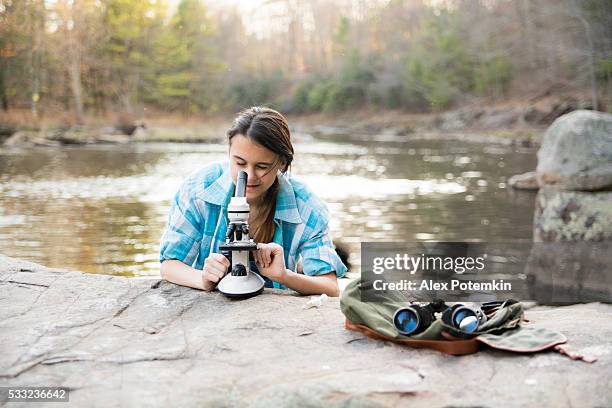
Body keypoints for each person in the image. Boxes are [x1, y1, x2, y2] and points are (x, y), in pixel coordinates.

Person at [159, 106, 347, 296]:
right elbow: (169, 265)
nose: (248, 176)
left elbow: (330, 287)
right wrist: (203, 279)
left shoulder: (306, 206)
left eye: (262, 166)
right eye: (240, 163)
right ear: (228, 152)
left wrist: (285, 276)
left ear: (282, 162)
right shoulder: (198, 188)